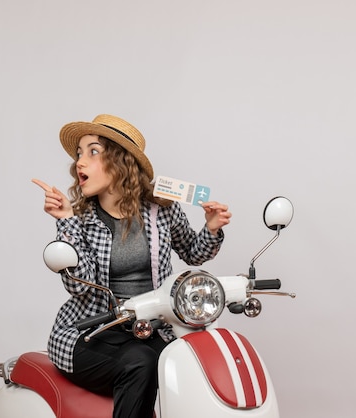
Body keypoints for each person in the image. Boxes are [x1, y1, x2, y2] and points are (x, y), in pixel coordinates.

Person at [32, 114, 232, 418]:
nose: (79, 163)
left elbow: (193, 252)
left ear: (120, 162)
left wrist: (212, 228)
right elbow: (78, 284)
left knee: (192, 358)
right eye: (79, 154)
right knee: (141, 361)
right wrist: (66, 221)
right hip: (93, 333)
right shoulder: (82, 219)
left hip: (152, 329)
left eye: (93, 152)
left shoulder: (161, 211)